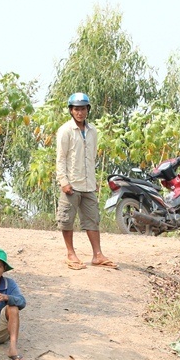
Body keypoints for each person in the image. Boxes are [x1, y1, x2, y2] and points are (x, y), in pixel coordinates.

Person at [55, 92, 117, 270]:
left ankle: (97, 255)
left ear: (88, 110)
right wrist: (63, 181)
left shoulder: (92, 131)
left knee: (92, 219)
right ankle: (71, 253)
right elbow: (61, 158)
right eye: (76, 109)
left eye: (82, 109)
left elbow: (91, 157)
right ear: (71, 110)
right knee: (67, 219)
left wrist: (93, 179)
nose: (80, 112)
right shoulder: (65, 130)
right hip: (71, 183)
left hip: (88, 184)